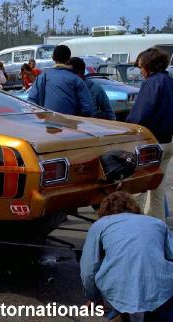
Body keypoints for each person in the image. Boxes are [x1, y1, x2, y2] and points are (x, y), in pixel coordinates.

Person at [80, 191, 173, 321]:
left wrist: (94, 298)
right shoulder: (156, 222)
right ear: (133, 207)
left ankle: (121, 315)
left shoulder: (100, 225)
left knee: (122, 308)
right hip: (161, 290)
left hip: (121, 292)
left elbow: (88, 270)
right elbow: (171, 255)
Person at [126, 47, 173, 221]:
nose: (141, 71)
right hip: (168, 141)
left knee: (138, 187)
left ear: (148, 66)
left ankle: (135, 225)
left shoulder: (152, 83)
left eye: (141, 67)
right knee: (157, 188)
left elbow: (140, 115)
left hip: (151, 142)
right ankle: (156, 224)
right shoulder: (169, 81)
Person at [28, 45, 94, 116]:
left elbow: (31, 103)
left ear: (53, 58)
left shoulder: (42, 77)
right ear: (68, 59)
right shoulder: (77, 80)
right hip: (71, 124)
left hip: (48, 124)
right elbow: (88, 108)